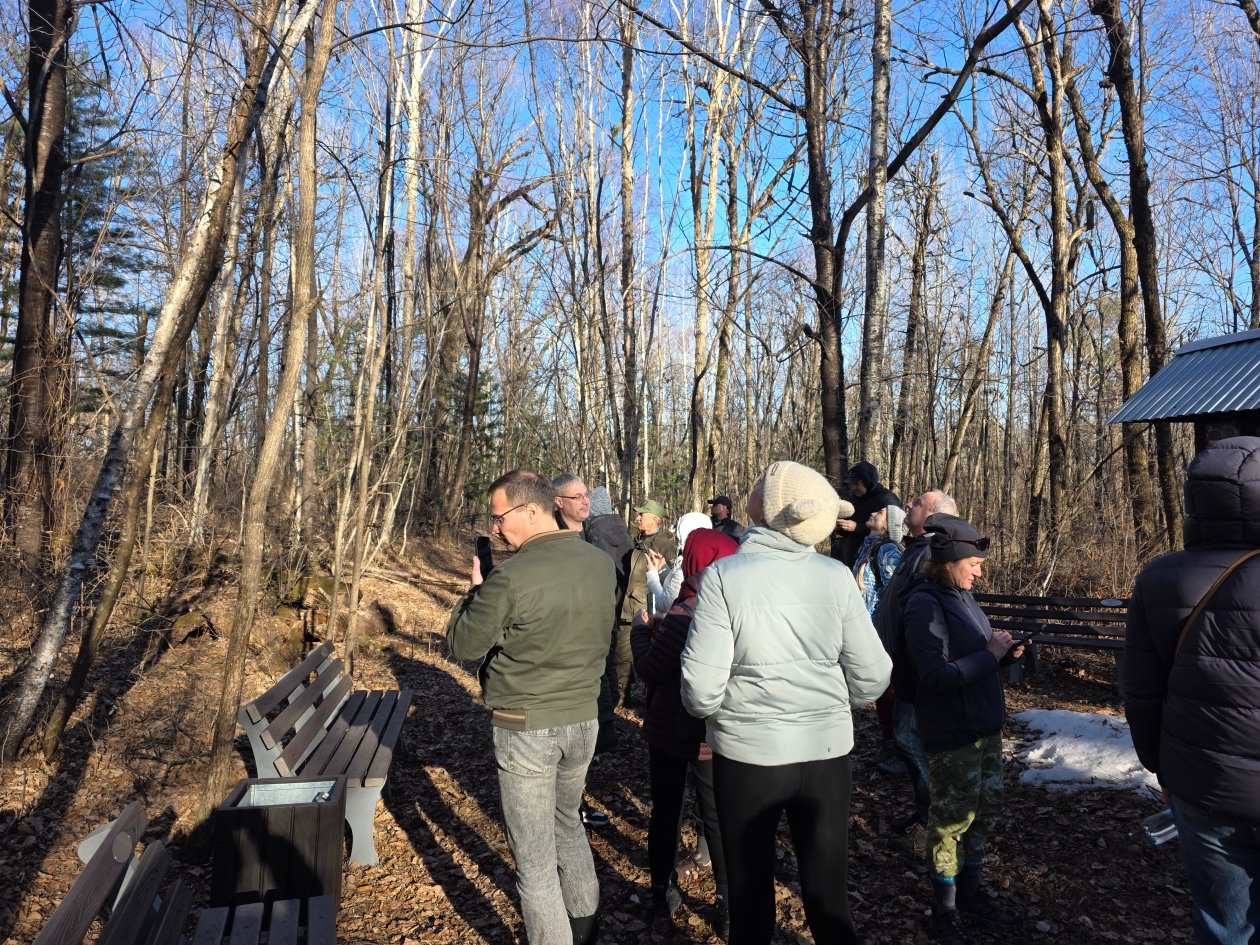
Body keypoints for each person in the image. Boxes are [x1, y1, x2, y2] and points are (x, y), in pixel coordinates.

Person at [681, 462, 892, 945]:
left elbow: (699, 690)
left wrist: (727, 715)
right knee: (829, 902)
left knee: (750, 904)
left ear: (775, 509)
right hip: (826, 758)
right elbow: (874, 675)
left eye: (762, 485)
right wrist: (832, 706)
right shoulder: (836, 576)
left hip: (748, 759)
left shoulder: (723, 577)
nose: (753, 487)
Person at [447, 470, 617, 945]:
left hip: (526, 728)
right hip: (583, 719)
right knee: (569, 825)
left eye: (499, 517)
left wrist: (475, 591)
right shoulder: (600, 563)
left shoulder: (509, 577)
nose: (495, 527)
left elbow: (464, 644)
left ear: (529, 510)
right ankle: (584, 930)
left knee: (535, 860)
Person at [1124, 436, 1260, 945]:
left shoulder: (1160, 577)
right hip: (1205, 780)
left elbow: (1141, 690)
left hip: (1202, 783)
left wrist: (1162, 767)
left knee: (1224, 925)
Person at [904, 513, 1024, 945]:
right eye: (973, 564)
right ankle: (945, 910)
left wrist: (1005, 655)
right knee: (951, 822)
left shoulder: (962, 596)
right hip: (954, 732)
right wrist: (990, 655)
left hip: (984, 726)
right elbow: (935, 675)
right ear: (949, 561)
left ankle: (971, 893)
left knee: (986, 812)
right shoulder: (924, 604)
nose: (979, 572)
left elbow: (976, 658)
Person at [631, 527, 739, 937]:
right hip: (717, 732)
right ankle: (728, 906)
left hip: (670, 730)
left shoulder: (687, 609)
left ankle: (662, 897)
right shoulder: (738, 609)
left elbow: (651, 669)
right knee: (717, 815)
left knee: (666, 812)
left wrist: (641, 631)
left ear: (695, 561)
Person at [872, 489, 959, 852]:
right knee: (908, 738)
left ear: (935, 516)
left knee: (909, 739)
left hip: (916, 665)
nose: (908, 504)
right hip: (901, 662)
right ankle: (926, 813)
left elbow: (930, 616)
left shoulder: (932, 554)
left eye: (917, 503)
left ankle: (936, 821)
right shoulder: (916, 548)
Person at [552, 474, 627, 823]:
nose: (584, 501)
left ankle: (571, 808)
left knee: (588, 721)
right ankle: (567, 810)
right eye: (577, 496)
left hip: (595, 637)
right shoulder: (551, 540)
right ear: (558, 502)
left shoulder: (593, 538)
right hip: (565, 653)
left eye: (586, 495)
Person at [617, 498, 677, 705]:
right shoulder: (638, 540)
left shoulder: (665, 544)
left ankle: (646, 701)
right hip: (630, 605)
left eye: (642, 515)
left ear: (655, 519)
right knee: (623, 654)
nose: (638, 518)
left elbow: (672, 580)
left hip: (649, 609)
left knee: (647, 656)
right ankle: (622, 698)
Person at [831, 461, 902, 567]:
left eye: (857, 484)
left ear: (868, 482)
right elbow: (850, 525)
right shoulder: (856, 497)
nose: (853, 488)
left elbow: (891, 532)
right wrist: (841, 526)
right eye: (852, 484)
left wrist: (857, 527)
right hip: (849, 556)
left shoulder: (888, 499)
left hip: (873, 560)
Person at [644, 511, 712, 613]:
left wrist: (651, 573)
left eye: (678, 536)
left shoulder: (687, 565)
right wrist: (663, 567)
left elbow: (665, 605)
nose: (676, 538)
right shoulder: (701, 557)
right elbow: (674, 586)